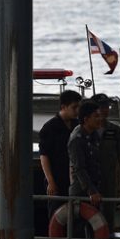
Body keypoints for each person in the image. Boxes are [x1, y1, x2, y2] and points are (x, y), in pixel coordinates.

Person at [67, 100, 106, 239]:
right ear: (85, 119)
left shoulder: (94, 136)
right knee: (78, 235)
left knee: (97, 233)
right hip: (82, 193)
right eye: (95, 116)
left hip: (95, 191)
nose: (100, 119)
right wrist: (91, 191)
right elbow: (79, 169)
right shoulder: (77, 139)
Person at [39, 89, 82, 217]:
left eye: (78, 107)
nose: (77, 111)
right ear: (63, 107)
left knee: (76, 213)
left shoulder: (78, 125)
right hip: (57, 178)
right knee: (56, 214)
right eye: (74, 107)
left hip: (75, 179)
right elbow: (44, 156)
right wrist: (51, 181)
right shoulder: (50, 128)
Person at [93, 93, 120, 230]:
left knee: (108, 218)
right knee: (90, 217)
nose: (105, 110)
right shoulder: (85, 131)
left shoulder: (115, 131)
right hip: (90, 182)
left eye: (107, 106)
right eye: (101, 107)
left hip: (109, 182)